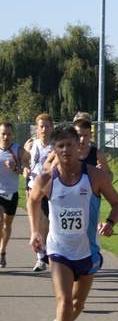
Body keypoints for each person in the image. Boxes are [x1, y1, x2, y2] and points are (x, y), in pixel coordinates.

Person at [27, 124, 118, 321]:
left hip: (87, 252)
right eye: (60, 146)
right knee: (63, 303)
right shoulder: (46, 179)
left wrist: (110, 222)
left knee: (75, 307)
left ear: (78, 146)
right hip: (58, 251)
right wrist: (35, 230)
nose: (66, 150)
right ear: (55, 150)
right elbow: (33, 200)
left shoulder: (95, 176)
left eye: (70, 144)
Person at [26, 113, 54, 272]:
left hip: (50, 187)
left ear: (51, 128)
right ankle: (40, 258)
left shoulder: (55, 147)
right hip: (34, 186)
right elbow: (24, 160)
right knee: (39, 222)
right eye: (41, 127)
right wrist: (24, 168)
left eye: (46, 126)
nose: (44, 129)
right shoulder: (32, 145)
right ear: (36, 129)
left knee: (49, 223)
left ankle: (48, 252)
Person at [43, 118, 114, 181]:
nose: (82, 139)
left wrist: (104, 173)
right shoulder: (64, 152)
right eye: (79, 135)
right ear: (73, 135)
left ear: (91, 135)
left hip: (91, 194)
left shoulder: (98, 155)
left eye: (85, 135)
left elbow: (110, 177)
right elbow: (48, 169)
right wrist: (60, 171)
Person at [0, 122, 30, 268]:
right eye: (3, 134)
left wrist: (15, 168)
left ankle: (2, 251)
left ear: (12, 135)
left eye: (8, 134)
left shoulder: (18, 150)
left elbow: (26, 170)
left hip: (11, 192)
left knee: (6, 225)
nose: (5, 137)